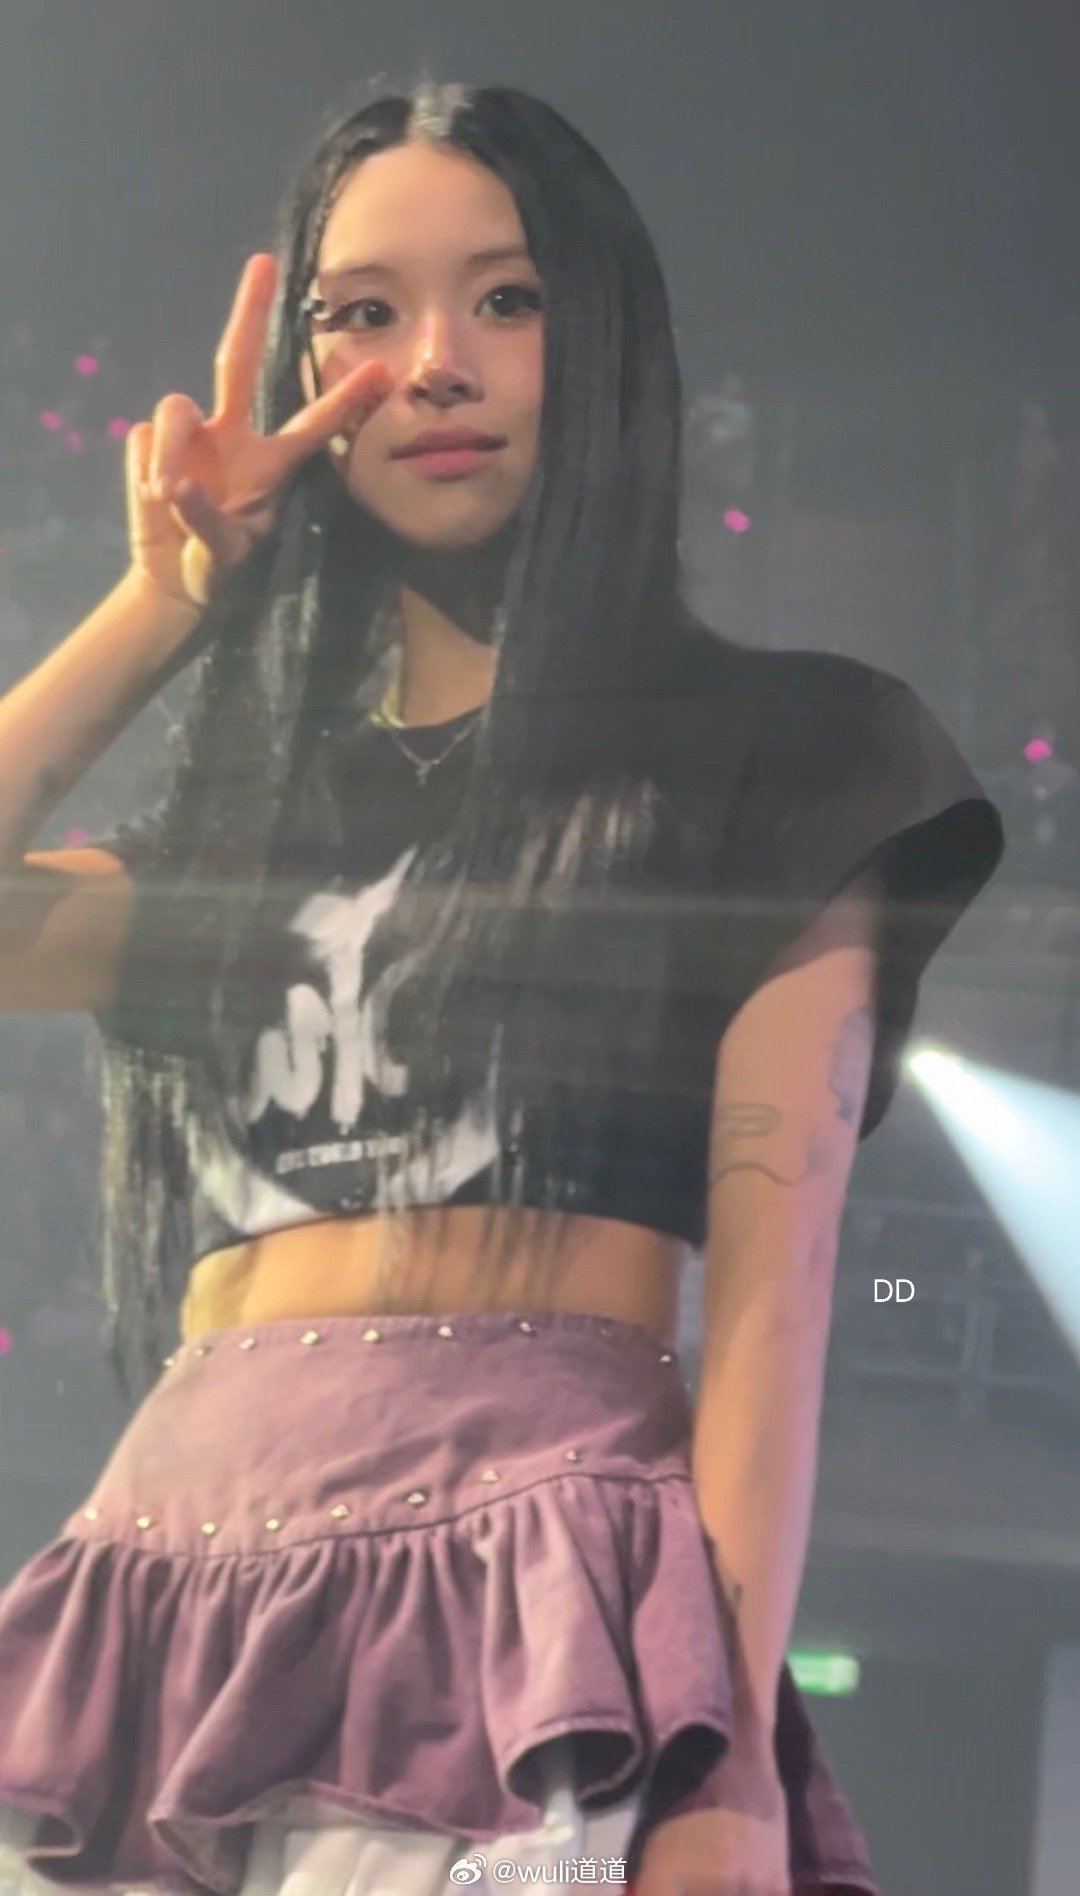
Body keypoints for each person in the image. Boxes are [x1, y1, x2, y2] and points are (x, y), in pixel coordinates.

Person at [0, 79, 1003, 1896]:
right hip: (160, 1613)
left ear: (602, 342)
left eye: (508, 298)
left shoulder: (786, 754)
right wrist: (168, 601)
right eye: (363, 313)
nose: (434, 366)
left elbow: (772, 1316)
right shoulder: (241, 830)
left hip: (518, 1622)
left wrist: (724, 1768)